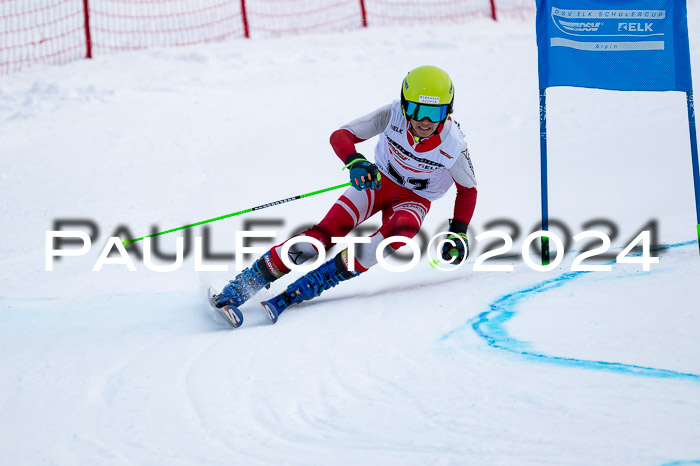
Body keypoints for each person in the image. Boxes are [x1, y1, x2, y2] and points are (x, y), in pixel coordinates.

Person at [213, 65, 477, 322]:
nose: (426, 121)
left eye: (436, 112)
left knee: (397, 237)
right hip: (378, 182)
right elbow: (342, 135)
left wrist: (458, 232)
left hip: (415, 198)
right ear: (406, 105)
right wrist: (355, 162)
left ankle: (306, 287)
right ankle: (240, 288)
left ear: (448, 111)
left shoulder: (453, 143)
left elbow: (468, 190)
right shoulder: (392, 115)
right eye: (418, 110)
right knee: (319, 239)